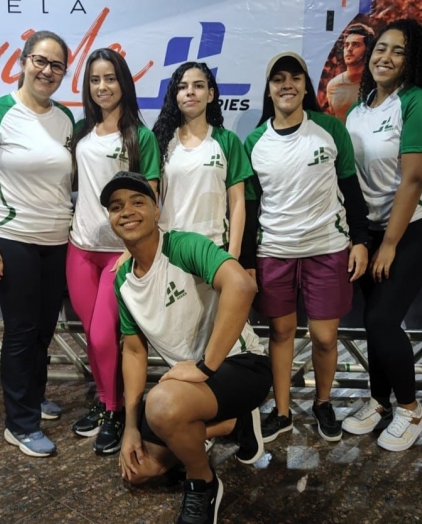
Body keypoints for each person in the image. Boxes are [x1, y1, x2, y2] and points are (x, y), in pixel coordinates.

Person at [102, 171, 272, 524]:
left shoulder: (183, 245)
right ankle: (232, 424)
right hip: (191, 386)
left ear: (156, 210)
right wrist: (130, 428)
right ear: (110, 219)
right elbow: (134, 352)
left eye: (138, 202)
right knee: (140, 469)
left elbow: (242, 286)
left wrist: (205, 366)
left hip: (241, 365)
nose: (127, 211)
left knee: (163, 406)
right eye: (116, 206)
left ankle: (203, 484)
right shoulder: (123, 280)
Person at [241, 52, 369, 444]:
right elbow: (248, 205)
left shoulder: (330, 129)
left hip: (327, 248)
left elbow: (351, 188)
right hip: (274, 251)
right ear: (269, 89)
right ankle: (281, 412)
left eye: (294, 77)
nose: (286, 85)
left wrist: (360, 240)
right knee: (281, 334)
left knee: (325, 338)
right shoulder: (254, 141)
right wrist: (247, 262)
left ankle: (322, 402)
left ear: (305, 86)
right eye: (277, 78)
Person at [0, 30, 75, 457]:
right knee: (21, 332)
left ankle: (32, 395)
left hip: (57, 240)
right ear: (23, 61)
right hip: (14, 239)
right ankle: (20, 423)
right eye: (40, 61)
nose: (47, 71)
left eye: (56, 65)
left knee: (45, 330)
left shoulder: (65, 118)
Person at [67, 48, 160, 455]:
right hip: (80, 248)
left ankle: (117, 409)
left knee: (108, 338)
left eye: (110, 78)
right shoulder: (79, 130)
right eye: (94, 80)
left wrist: (134, 250)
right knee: (93, 335)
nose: (102, 87)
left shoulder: (141, 136)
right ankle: (108, 405)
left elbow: (151, 197)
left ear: (124, 82)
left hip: (118, 255)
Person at [343, 18, 422, 451]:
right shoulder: (359, 109)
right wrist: (363, 237)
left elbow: (412, 180)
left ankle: (409, 409)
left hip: (410, 228)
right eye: (381, 49)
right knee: (374, 325)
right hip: (370, 232)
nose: (385, 57)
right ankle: (378, 400)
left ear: (411, 61)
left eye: (398, 51)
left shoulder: (414, 102)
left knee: (380, 319)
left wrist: (389, 243)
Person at [152, 62, 247, 257]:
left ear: (210, 95)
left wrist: (233, 256)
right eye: (182, 87)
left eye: (198, 85)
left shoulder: (227, 141)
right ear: (175, 96)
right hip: (170, 247)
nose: (190, 92)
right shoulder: (160, 141)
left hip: (215, 249)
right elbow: (150, 199)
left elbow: (237, 202)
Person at [326, 23, 375, 123]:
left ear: (367, 49)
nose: (349, 49)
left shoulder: (377, 82)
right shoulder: (333, 85)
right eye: (346, 45)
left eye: (356, 44)